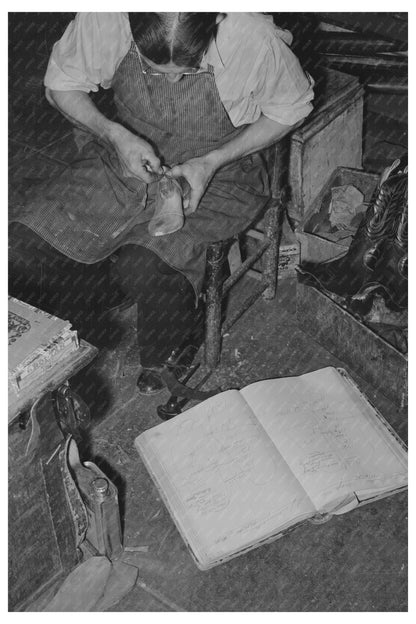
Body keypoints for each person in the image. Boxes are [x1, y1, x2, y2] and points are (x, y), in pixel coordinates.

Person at [9, 12, 314, 395]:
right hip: (126, 152)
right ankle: (88, 302)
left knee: (146, 266)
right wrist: (114, 134)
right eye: (155, 70)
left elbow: (292, 108)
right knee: (22, 245)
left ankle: (173, 344)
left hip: (220, 169)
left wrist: (213, 161)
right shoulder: (108, 16)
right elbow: (60, 86)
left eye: (188, 68)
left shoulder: (250, 35)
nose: (171, 81)